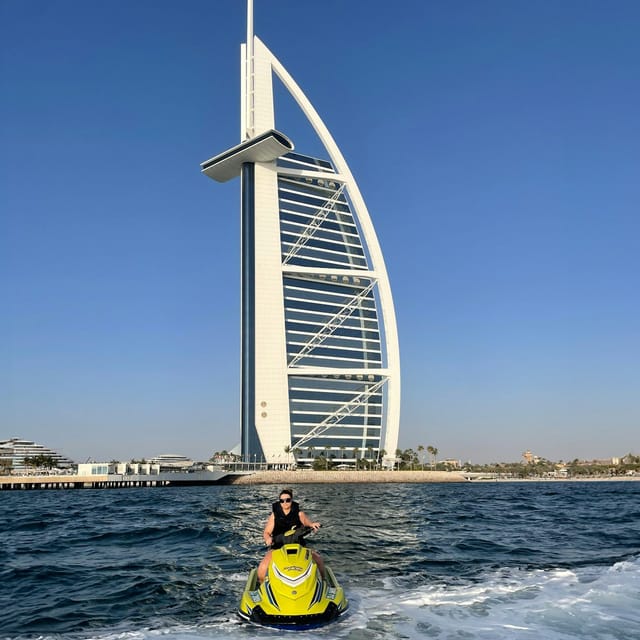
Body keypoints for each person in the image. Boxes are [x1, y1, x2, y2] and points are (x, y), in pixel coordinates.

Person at [257, 488, 325, 583]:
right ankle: (261, 585)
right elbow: (266, 532)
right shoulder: (274, 515)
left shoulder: (299, 513)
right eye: (282, 501)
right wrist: (268, 538)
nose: (285, 503)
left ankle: (324, 582)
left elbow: (308, 523)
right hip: (279, 546)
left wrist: (312, 524)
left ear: (292, 500)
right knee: (263, 567)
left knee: (318, 559)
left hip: (298, 545)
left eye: (288, 500)